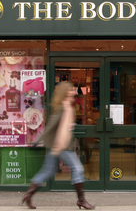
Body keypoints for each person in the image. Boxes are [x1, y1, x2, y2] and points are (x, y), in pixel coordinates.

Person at [22, 81, 95, 210]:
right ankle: (81, 200)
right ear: (66, 92)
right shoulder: (64, 107)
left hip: (57, 145)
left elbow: (59, 127)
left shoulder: (66, 106)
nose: (73, 92)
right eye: (71, 90)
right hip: (61, 146)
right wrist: (42, 141)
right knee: (77, 169)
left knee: (47, 171)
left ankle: (28, 194)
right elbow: (53, 127)